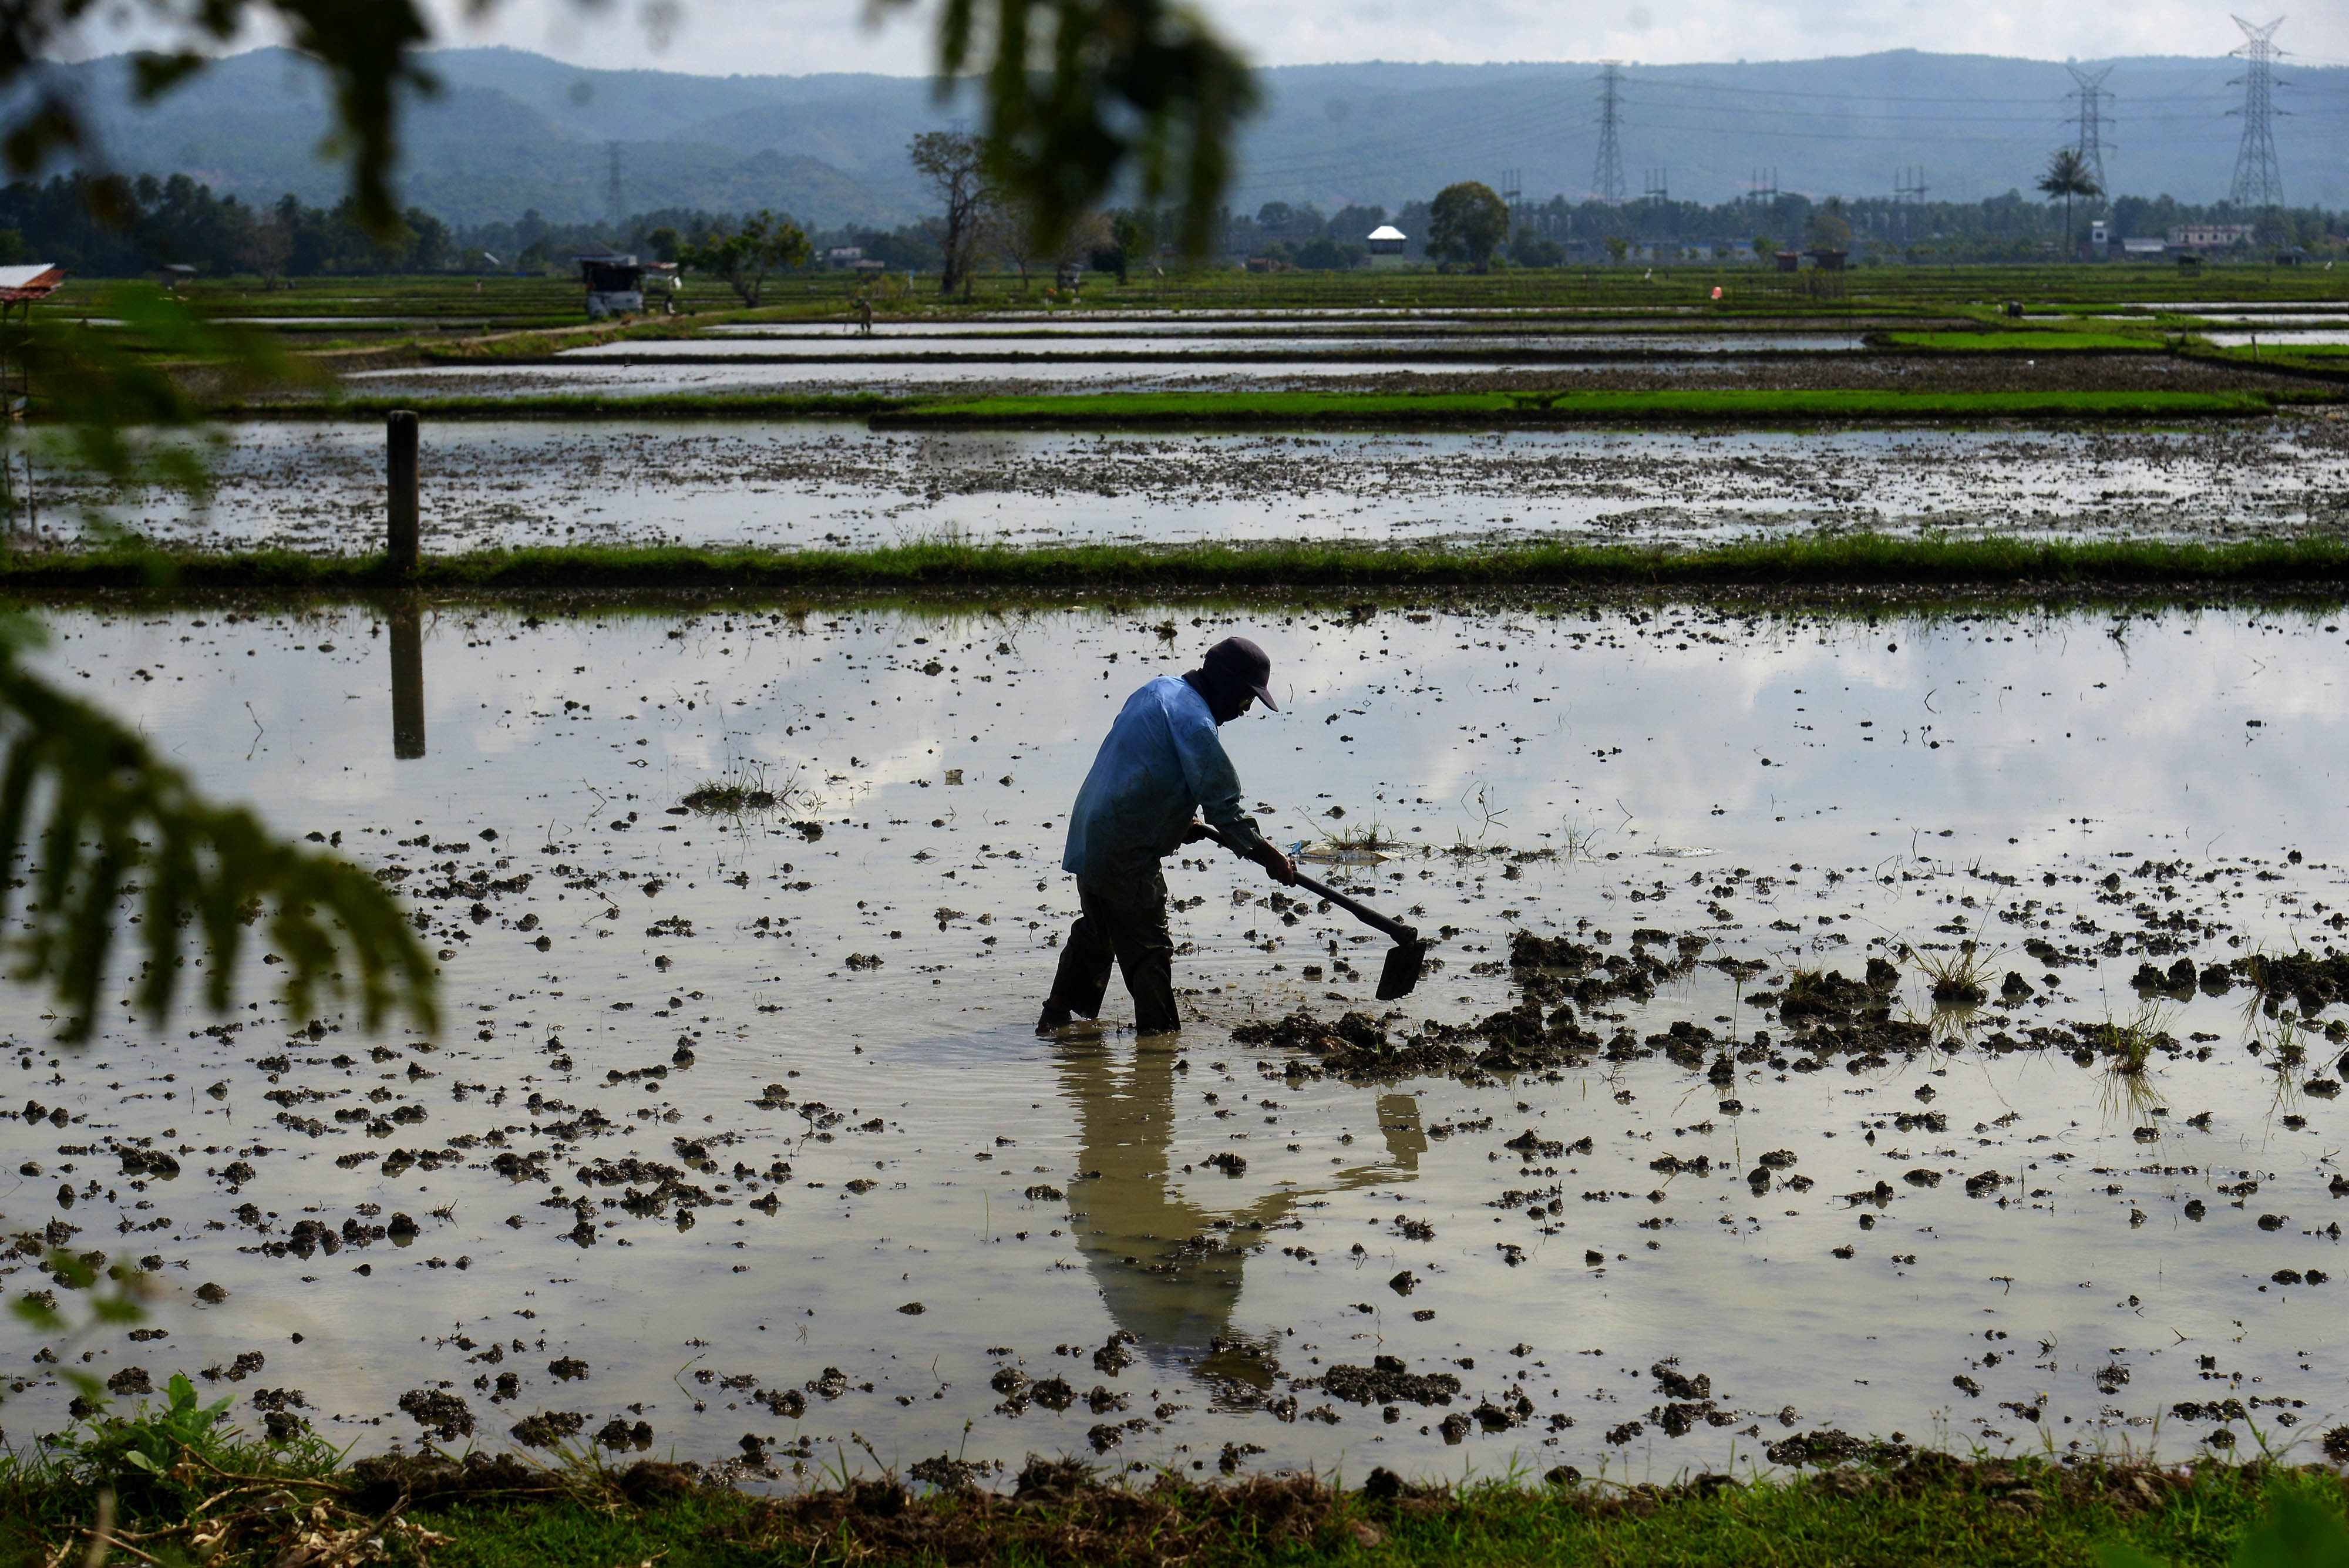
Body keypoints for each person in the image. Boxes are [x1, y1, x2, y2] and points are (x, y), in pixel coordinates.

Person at [1037, 636, 1295, 1037]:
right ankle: (1157, 1045)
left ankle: (1055, 1019)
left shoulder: (1158, 689)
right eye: (1247, 698)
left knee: (1098, 931)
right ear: (1227, 687)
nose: (1246, 710)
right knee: (1149, 949)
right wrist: (1271, 858)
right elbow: (1226, 812)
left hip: (1092, 830)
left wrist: (1174, 818)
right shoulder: (1197, 725)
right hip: (1126, 847)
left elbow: (1143, 762)